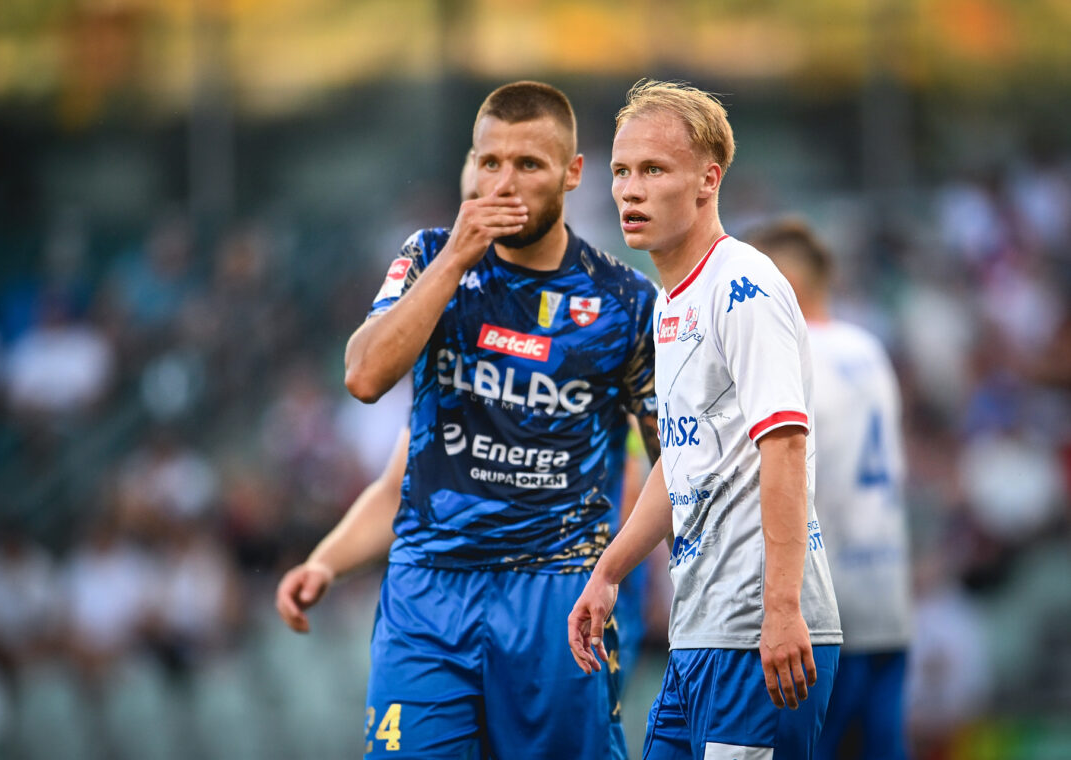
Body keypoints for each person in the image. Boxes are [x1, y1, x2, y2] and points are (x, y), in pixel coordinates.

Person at [302, 81, 661, 759]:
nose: (505, 182)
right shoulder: (429, 256)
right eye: (490, 162)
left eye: (529, 164)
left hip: (556, 596)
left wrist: (615, 571)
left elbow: (674, 459)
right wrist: (457, 258)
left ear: (573, 173)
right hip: (427, 595)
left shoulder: (625, 301)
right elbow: (364, 376)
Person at [568, 79, 842, 759]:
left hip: (757, 634)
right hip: (699, 634)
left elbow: (783, 447)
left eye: (653, 171)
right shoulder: (669, 306)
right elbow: (681, 460)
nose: (630, 190)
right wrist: (610, 570)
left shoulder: (742, 288)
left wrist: (781, 609)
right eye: (621, 172)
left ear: (706, 181)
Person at [749, 219, 911, 760]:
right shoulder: (868, 349)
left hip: (823, 611)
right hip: (886, 598)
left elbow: (782, 473)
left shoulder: (795, 356)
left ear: (782, 286)